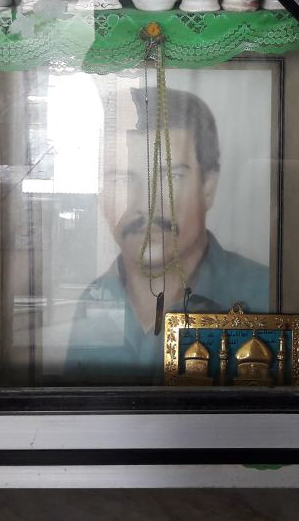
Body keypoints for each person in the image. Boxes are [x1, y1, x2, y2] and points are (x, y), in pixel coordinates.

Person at [64, 85, 269, 385]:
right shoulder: (93, 300)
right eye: (122, 179)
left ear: (208, 187)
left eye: (170, 177)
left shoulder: (265, 295)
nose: (147, 205)